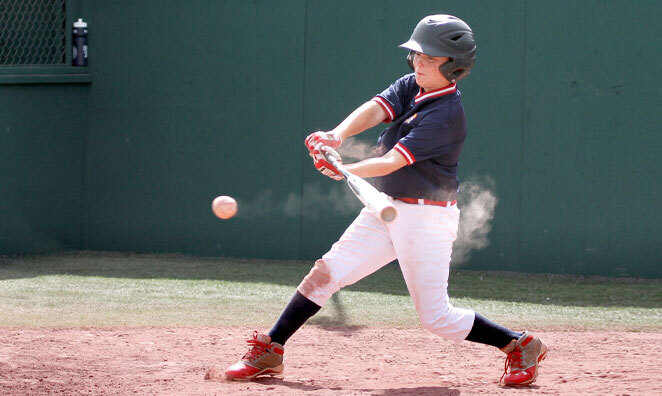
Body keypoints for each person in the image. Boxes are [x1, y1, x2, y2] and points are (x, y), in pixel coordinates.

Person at [218, 14, 547, 387]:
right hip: (385, 206)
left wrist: (347, 168)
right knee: (325, 273)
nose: (418, 62)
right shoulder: (413, 85)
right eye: (417, 55)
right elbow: (376, 108)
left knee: (435, 318)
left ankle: (519, 344)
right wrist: (335, 136)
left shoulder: (447, 114)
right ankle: (270, 350)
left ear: (453, 66)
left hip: (426, 220)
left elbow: (393, 160)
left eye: (429, 57)